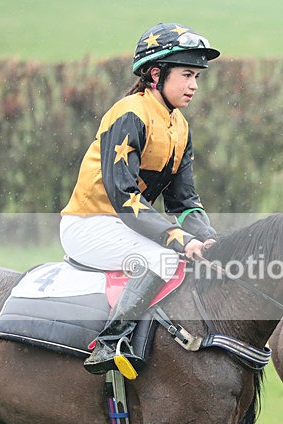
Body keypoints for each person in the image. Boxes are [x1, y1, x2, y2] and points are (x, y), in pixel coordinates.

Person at [60, 22, 219, 376]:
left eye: (197, 77)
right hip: (89, 225)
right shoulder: (129, 113)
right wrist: (178, 239)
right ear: (155, 74)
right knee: (164, 258)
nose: (194, 85)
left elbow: (185, 203)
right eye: (187, 74)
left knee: (188, 256)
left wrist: (208, 239)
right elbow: (125, 200)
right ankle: (109, 343)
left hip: (124, 227)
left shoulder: (180, 127)